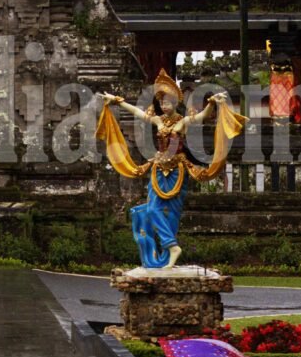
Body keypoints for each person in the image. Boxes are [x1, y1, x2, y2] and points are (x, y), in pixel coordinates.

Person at [98, 69, 244, 268]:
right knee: (152, 209)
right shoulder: (158, 121)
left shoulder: (182, 122)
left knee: (173, 212)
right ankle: (171, 246)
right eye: (162, 103)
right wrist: (117, 101)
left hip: (178, 170)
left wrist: (211, 102)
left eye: (168, 103)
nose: (164, 107)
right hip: (158, 168)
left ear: (175, 103)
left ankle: (169, 254)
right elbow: (139, 113)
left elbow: (202, 116)